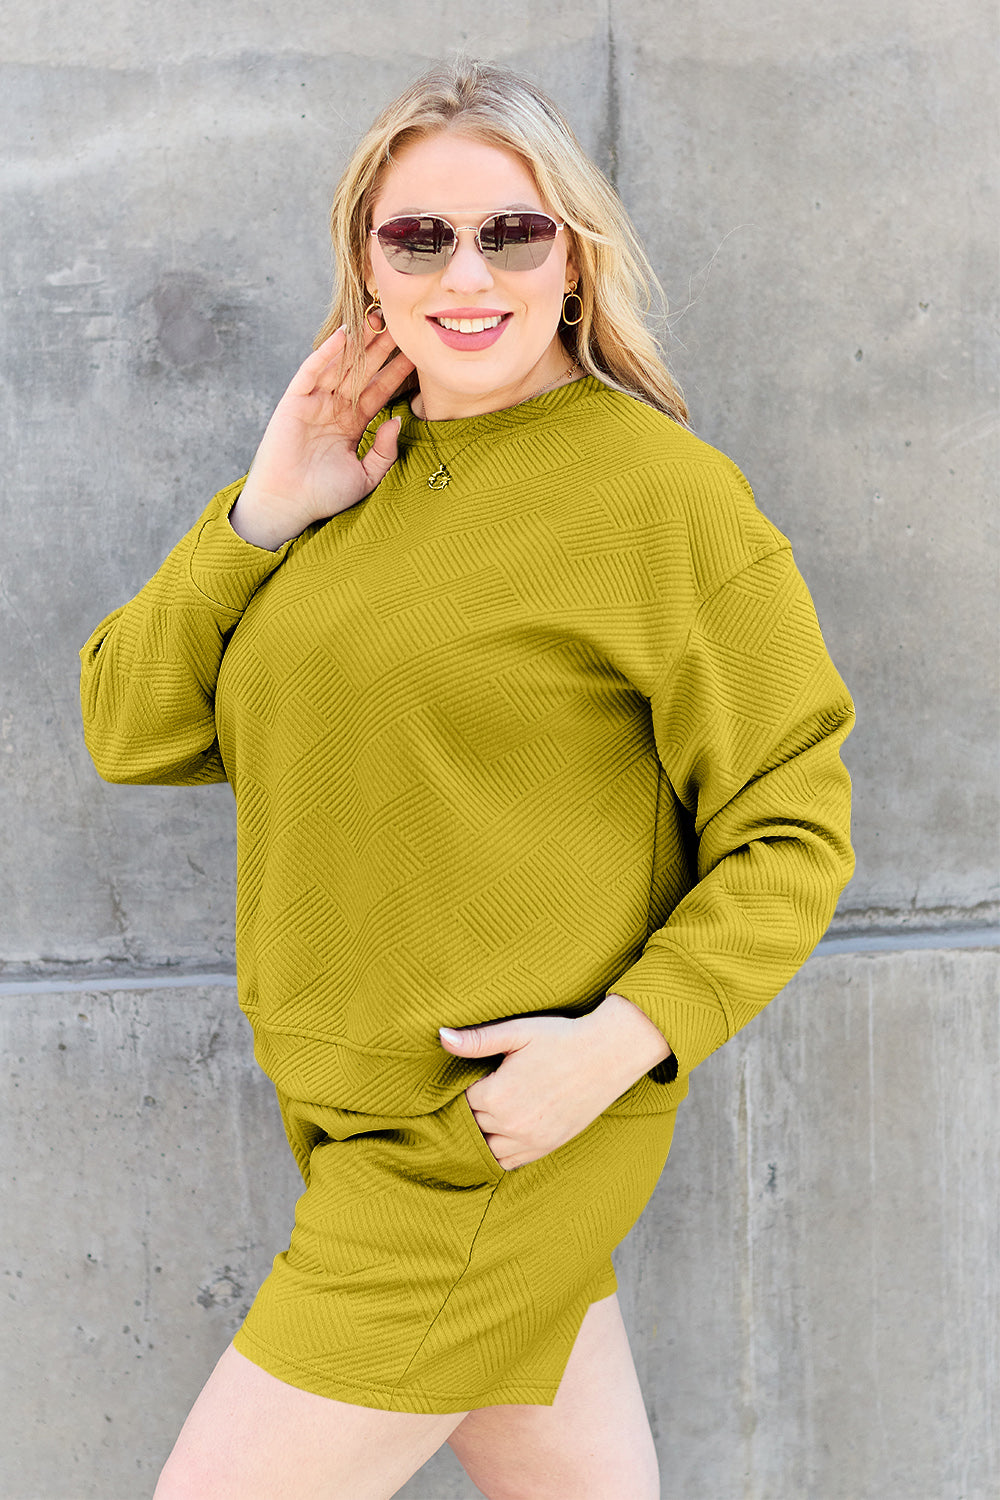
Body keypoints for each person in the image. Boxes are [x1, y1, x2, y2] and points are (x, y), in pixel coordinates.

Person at [80, 59, 854, 1500]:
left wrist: (621, 1043)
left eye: (513, 230)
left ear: (576, 258)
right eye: (417, 237)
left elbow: (793, 829)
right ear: (367, 270)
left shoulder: (662, 499)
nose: (466, 272)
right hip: (338, 1107)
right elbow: (131, 726)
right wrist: (263, 508)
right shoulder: (345, 471)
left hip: (481, 1142)